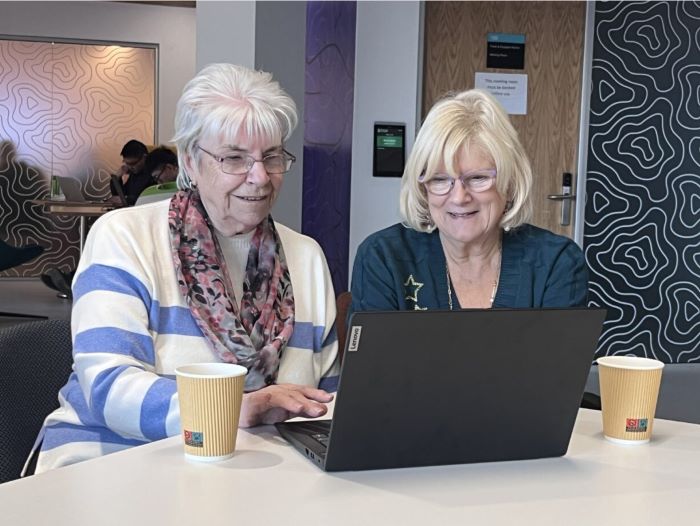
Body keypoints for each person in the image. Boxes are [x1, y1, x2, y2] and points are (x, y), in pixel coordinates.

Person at [28, 63, 340, 474]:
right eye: (234, 158)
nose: (260, 177)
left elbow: (327, 398)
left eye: (272, 157)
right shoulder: (125, 237)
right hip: (113, 463)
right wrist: (236, 411)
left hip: (258, 472)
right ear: (191, 161)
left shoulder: (307, 256)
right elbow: (109, 387)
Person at [351, 89, 588, 313]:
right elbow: (375, 357)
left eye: (477, 178)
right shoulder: (383, 257)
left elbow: (559, 357)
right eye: (440, 179)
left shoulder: (556, 263)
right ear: (423, 188)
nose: (459, 197)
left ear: (510, 182)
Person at [111, 139, 152, 205]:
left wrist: (127, 199)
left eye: (133, 163)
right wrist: (116, 179)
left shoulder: (154, 173)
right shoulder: (135, 173)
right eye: (126, 163)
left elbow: (150, 198)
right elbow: (122, 195)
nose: (130, 167)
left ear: (144, 157)